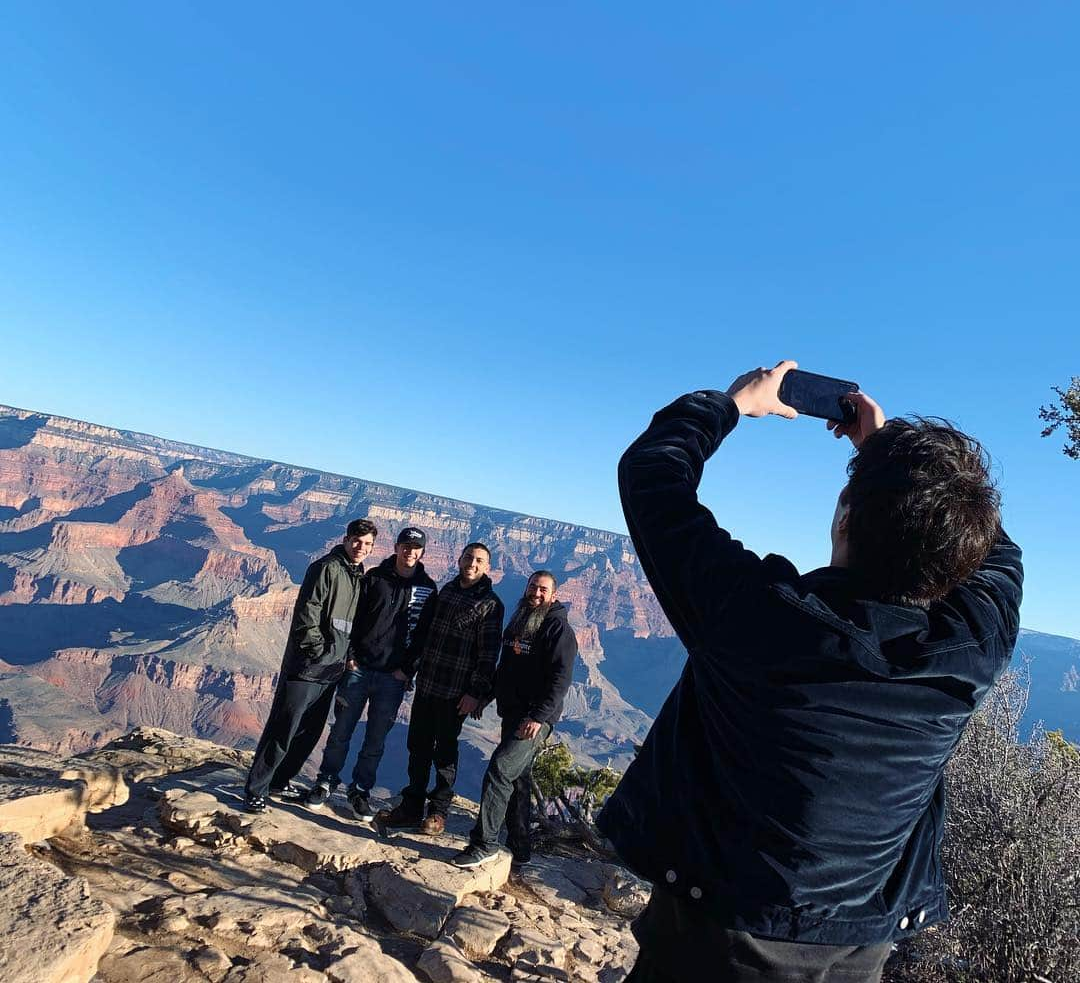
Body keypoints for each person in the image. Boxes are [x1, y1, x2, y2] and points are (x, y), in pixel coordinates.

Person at [596, 362, 1022, 983]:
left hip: (712, 941)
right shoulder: (973, 652)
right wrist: (890, 456)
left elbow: (651, 474)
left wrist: (735, 403)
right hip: (856, 952)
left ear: (845, 521)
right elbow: (997, 553)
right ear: (961, 553)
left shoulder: (759, 619)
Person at [302, 526, 438, 820]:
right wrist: (350, 656)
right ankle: (326, 782)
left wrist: (407, 669)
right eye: (405, 545)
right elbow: (353, 616)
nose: (409, 552)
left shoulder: (428, 588)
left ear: (422, 552)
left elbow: (425, 636)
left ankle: (360, 791)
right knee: (341, 731)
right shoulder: (374, 577)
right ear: (397, 547)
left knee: (375, 740)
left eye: (415, 548)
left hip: (393, 678)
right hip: (359, 669)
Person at [243, 518, 377, 813]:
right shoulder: (327, 568)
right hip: (307, 667)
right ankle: (256, 789)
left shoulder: (356, 573)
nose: (361, 547)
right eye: (356, 540)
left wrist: (342, 657)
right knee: (284, 727)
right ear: (346, 538)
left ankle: (279, 781)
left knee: (309, 731)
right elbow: (308, 615)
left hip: (332, 670)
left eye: (367, 544)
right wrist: (320, 651)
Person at [451, 570, 578, 868]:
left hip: (534, 719)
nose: (536, 592)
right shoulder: (521, 620)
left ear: (554, 595)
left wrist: (538, 717)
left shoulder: (559, 629)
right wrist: (486, 696)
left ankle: (485, 843)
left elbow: (561, 681)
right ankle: (520, 849)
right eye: (533, 586)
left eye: (543, 589)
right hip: (513, 713)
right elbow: (506, 669)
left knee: (499, 770)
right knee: (518, 779)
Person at [376, 542, 505, 834]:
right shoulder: (446, 590)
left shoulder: (491, 604)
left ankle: (438, 812)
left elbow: (488, 655)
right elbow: (427, 637)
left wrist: (475, 693)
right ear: (460, 559)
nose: (472, 563)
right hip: (428, 684)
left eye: (479, 560)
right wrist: (412, 670)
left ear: (487, 568)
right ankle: (411, 806)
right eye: (469, 557)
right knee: (417, 747)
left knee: (445, 752)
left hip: (456, 693)